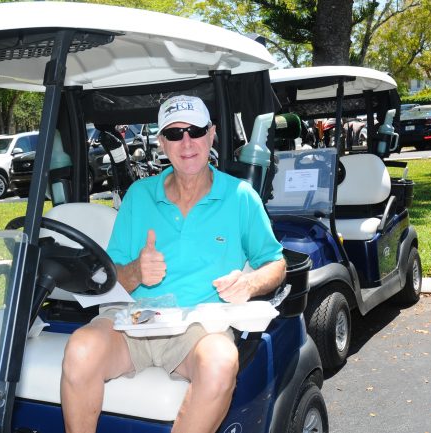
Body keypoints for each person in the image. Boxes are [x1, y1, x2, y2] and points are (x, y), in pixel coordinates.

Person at [60, 95, 286, 433]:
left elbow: (275, 264)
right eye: (175, 134)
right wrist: (137, 271)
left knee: (221, 363)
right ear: (162, 143)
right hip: (134, 320)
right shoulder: (139, 195)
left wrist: (249, 284)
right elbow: (109, 278)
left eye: (196, 131)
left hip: (198, 326)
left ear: (212, 134)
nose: (187, 142)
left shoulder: (240, 197)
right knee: (80, 349)